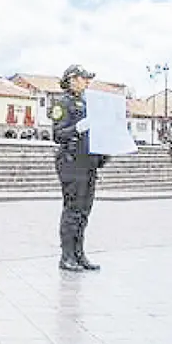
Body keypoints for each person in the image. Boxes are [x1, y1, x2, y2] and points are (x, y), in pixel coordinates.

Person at [50, 65, 107, 271]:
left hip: (88, 161)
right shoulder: (62, 103)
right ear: (72, 79)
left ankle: (79, 253)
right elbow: (58, 134)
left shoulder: (87, 102)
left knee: (84, 211)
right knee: (73, 210)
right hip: (71, 161)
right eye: (84, 78)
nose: (87, 82)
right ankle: (66, 256)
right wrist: (78, 127)